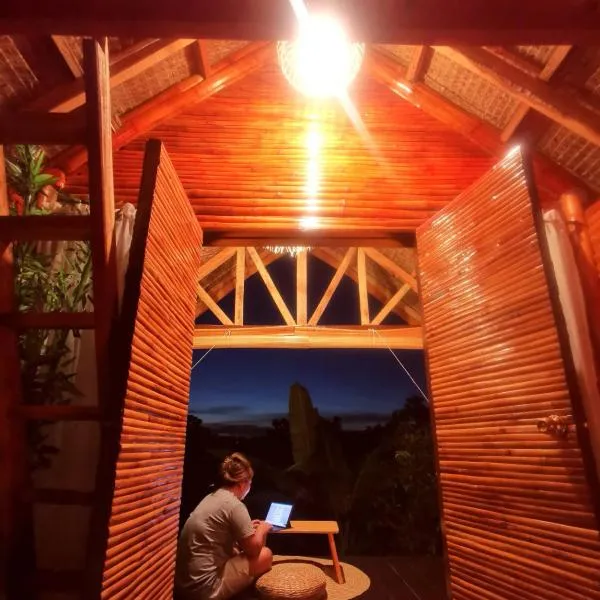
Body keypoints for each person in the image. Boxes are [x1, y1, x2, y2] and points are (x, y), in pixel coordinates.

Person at [175, 453, 273, 600]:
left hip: (184, 584)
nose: (250, 487)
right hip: (205, 588)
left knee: (235, 550)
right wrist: (262, 529)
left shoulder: (212, 497)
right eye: (250, 483)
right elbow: (253, 550)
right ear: (242, 484)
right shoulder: (235, 505)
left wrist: (246, 528)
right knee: (265, 555)